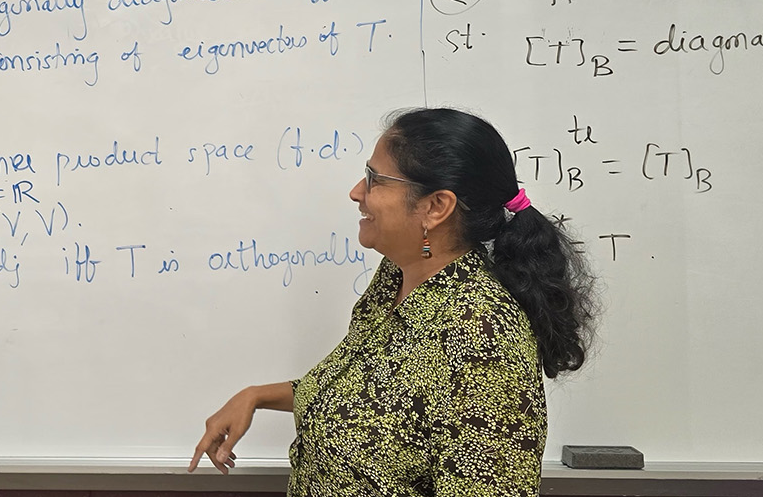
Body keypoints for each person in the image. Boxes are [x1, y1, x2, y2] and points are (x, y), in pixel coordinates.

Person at [189, 108, 598, 496]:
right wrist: (256, 395)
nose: (356, 192)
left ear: (435, 206)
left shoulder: (482, 333)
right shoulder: (395, 280)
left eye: (374, 179)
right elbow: (354, 394)